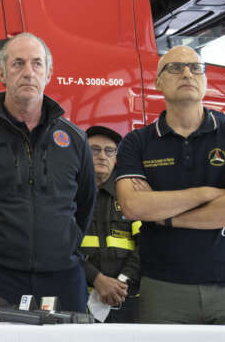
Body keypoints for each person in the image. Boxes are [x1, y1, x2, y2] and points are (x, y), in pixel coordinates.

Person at [0, 33, 95, 312]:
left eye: (37, 64)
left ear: (48, 73)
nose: (28, 72)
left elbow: (84, 206)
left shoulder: (74, 139)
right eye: (18, 64)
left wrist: (62, 248)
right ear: (1, 73)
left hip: (63, 279)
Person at [115, 46, 225, 325]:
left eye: (196, 68)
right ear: (158, 82)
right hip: (164, 289)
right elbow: (133, 205)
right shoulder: (136, 142)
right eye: (175, 67)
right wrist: (206, 193)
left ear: (205, 81)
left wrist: (167, 218)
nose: (187, 73)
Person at [81, 126, 140, 323]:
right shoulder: (69, 195)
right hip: (81, 296)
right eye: (94, 149)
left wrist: (120, 282)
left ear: (116, 158)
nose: (102, 156)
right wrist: (98, 279)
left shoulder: (130, 195)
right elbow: (61, 247)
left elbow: (145, 245)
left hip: (124, 297)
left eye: (109, 151)